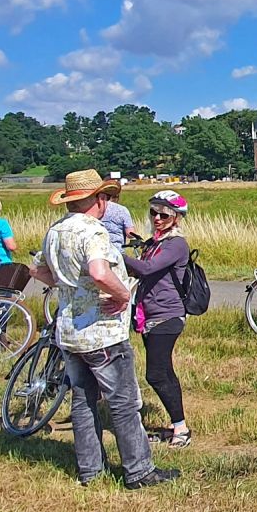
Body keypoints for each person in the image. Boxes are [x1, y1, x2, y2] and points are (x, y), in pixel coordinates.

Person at [28, 169, 178, 490]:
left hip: (69, 330)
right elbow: (98, 272)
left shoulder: (55, 231)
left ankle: (90, 471)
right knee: (123, 403)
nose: (107, 202)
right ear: (97, 199)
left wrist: (70, 286)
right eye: (105, 197)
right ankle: (139, 471)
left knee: (83, 402)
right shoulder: (92, 231)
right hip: (102, 331)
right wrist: (122, 294)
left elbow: (41, 271)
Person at [124, 190, 193, 448]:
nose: (157, 218)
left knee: (156, 374)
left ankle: (182, 429)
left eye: (164, 214)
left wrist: (117, 256)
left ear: (175, 218)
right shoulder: (155, 242)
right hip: (149, 313)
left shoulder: (176, 244)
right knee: (164, 371)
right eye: (153, 212)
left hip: (168, 314)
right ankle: (178, 426)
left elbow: (148, 269)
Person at [98, 187, 136, 251]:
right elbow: (130, 233)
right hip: (117, 251)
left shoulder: (97, 208)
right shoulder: (122, 210)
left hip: (99, 250)